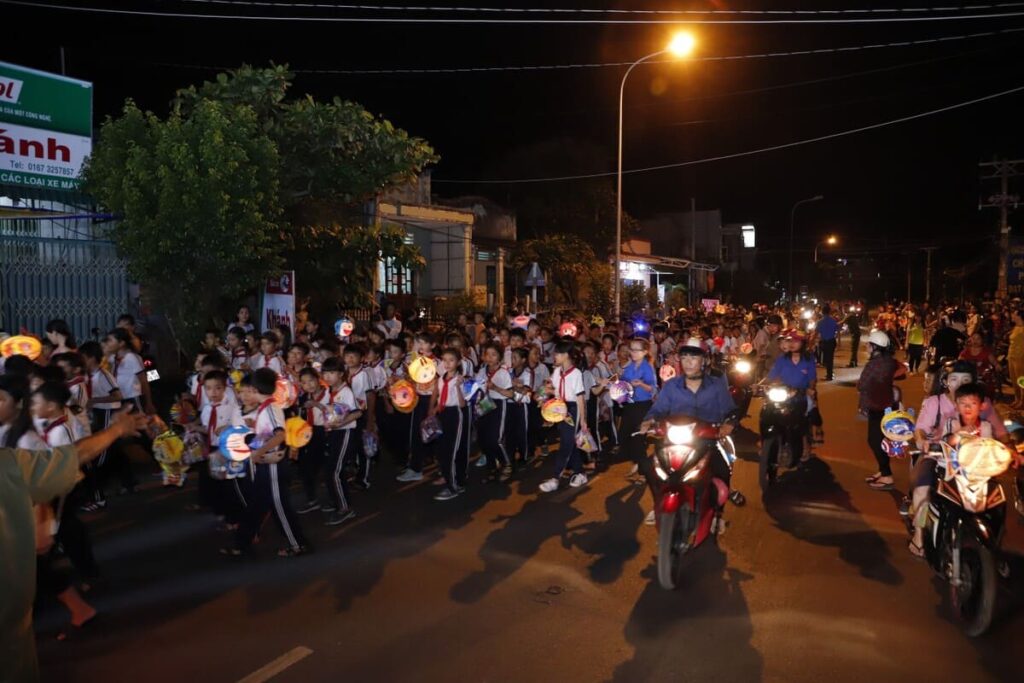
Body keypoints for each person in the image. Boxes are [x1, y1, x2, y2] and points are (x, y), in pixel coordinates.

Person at [1, 395, 148, 683]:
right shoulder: (8, 462)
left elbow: (68, 458)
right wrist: (117, 430)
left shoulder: (16, 453)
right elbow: (71, 458)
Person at [640, 337, 738, 524]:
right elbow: (658, 410)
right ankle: (658, 503)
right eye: (684, 358)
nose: (688, 363)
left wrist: (729, 424)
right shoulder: (671, 386)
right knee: (648, 467)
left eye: (693, 358)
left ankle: (717, 514)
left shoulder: (716, 386)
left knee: (722, 470)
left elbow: (730, 410)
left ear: (704, 360)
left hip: (707, 440)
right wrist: (648, 421)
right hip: (675, 440)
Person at [226, 369, 311, 556]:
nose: (245, 394)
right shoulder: (265, 407)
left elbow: (279, 435)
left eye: (248, 390)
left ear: (255, 389)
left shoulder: (270, 408)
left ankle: (298, 544)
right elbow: (267, 433)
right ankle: (241, 543)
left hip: (273, 464)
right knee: (257, 504)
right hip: (266, 462)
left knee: (279, 506)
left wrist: (259, 452)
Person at [907, 382, 997, 558]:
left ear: (982, 406)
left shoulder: (986, 426)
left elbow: (991, 447)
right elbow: (947, 441)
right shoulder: (951, 422)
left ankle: (994, 546)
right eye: (963, 403)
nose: (968, 408)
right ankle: (919, 536)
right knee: (923, 492)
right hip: (948, 469)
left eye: (973, 403)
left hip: (976, 474)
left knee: (997, 500)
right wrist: (959, 434)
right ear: (956, 405)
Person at [858, 330, 907, 491]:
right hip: (888, 405)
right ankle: (882, 471)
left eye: (869, 344)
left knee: (875, 441)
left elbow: (862, 384)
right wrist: (889, 378)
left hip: (877, 406)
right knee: (880, 439)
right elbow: (903, 369)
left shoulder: (874, 364)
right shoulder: (889, 361)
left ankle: (887, 475)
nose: (867, 346)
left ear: (875, 347)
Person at [539, 341, 588, 493]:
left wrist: (583, 420)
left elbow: (580, 398)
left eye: (558, 353)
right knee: (569, 442)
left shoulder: (576, 373)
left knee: (565, 444)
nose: (555, 356)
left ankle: (555, 478)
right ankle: (580, 473)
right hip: (559, 407)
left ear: (566, 355)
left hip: (572, 409)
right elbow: (553, 389)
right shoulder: (557, 371)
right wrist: (545, 395)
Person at [319, 357, 361, 526]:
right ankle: (337, 500)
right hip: (334, 434)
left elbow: (357, 412)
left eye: (331, 373)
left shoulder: (346, 392)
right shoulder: (330, 390)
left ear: (341, 374)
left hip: (345, 433)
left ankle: (345, 508)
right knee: (332, 470)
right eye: (325, 373)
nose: (327, 376)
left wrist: (340, 423)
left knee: (334, 471)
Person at [431, 348, 468, 500]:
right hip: (443, 413)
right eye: (444, 360)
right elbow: (441, 398)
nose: (447, 363)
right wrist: (434, 410)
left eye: (451, 360)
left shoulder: (460, 379)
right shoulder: (441, 379)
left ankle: (453, 487)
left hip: (455, 415)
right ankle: (452, 481)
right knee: (443, 450)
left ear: (458, 362)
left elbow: (462, 404)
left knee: (451, 451)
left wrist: (458, 387)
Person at [618, 338, 658, 476]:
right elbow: (622, 382)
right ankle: (638, 462)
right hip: (630, 404)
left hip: (643, 406)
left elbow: (653, 388)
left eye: (637, 350)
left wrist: (641, 384)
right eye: (631, 349)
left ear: (645, 351)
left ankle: (644, 470)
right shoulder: (630, 366)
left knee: (638, 438)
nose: (633, 352)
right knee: (624, 435)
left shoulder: (647, 367)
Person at [816, 305, 839, 381]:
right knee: (830, 358)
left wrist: (811, 342)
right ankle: (829, 374)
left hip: (824, 342)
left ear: (822, 312)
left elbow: (816, 332)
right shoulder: (833, 321)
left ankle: (829, 374)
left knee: (826, 358)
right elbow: (837, 330)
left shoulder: (820, 322)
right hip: (831, 341)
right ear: (829, 312)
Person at [1007, 309, 1024, 408]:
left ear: (1019, 316)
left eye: (1014, 313)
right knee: (1014, 379)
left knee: (1021, 380)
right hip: (1011, 356)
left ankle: (1022, 401)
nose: (1012, 315)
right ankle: (1017, 399)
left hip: (1020, 357)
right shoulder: (1016, 327)